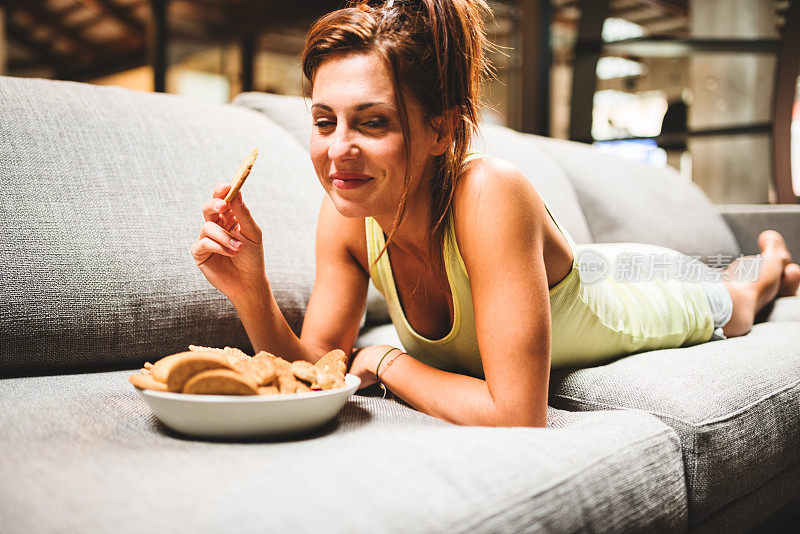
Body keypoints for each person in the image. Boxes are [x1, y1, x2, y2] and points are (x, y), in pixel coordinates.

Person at [190, 0, 800, 428]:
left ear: (440, 130)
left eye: (372, 122)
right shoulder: (346, 216)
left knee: (737, 301)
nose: (337, 149)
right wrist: (251, 290)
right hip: (578, 273)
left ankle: (771, 261)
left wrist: (389, 361)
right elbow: (317, 369)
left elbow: (516, 415)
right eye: (325, 121)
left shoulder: (488, 193)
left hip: (637, 294)